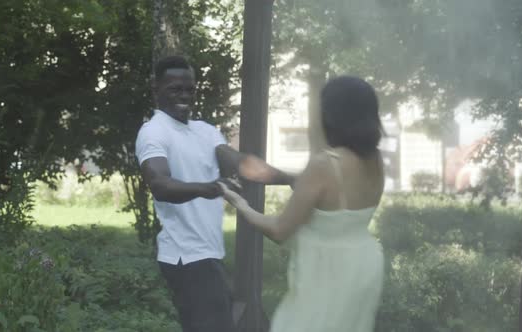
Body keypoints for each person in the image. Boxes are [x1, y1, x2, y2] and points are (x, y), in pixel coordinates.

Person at [135, 55, 294, 332]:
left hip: (206, 255)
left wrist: (291, 178)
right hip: (186, 257)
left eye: (189, 89)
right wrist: (210, 188)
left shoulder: (204, 131)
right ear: (155, 88)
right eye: (175, 89)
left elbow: (244, 165)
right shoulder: (153, 132)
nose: (184, 95)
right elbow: (160, 184)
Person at [220, 76, 386, 332]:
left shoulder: (324, 164)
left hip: (328, 268)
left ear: (331, 115)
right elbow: (338, 205)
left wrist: (240, 205)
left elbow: (280, 230)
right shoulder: (375, 160)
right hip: (364, 262)